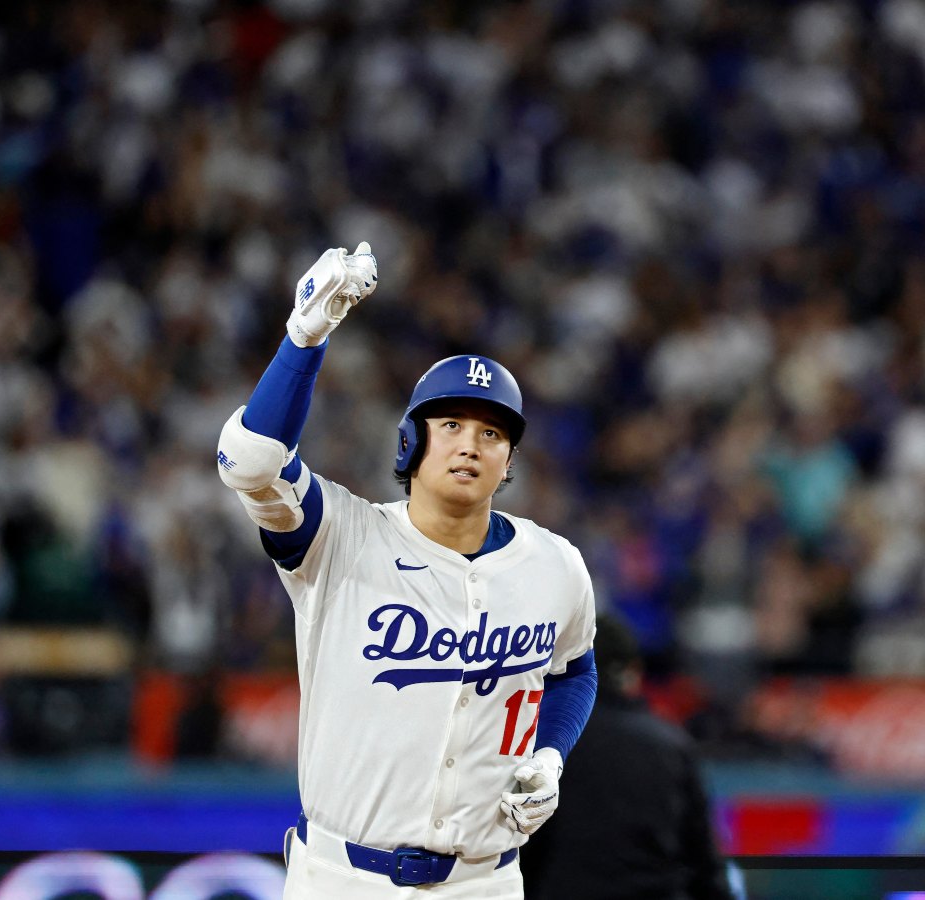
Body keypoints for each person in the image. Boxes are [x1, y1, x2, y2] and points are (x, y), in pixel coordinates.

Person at [216, 241, 598, 899]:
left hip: (484, 882)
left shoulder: (555, 564)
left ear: (509, 462)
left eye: (492, 433)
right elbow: (250, 463)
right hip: (342, 879)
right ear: (410, 440)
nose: (471, 445)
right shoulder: (340, 534)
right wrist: (303, 339)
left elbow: (576, 671)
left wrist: (550, 755)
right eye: (450, 424)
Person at [520, 613, 740, 900]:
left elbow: (521, 851)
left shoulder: (544, 748)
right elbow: (705, 865)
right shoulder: (671, 745)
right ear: (633, 670)